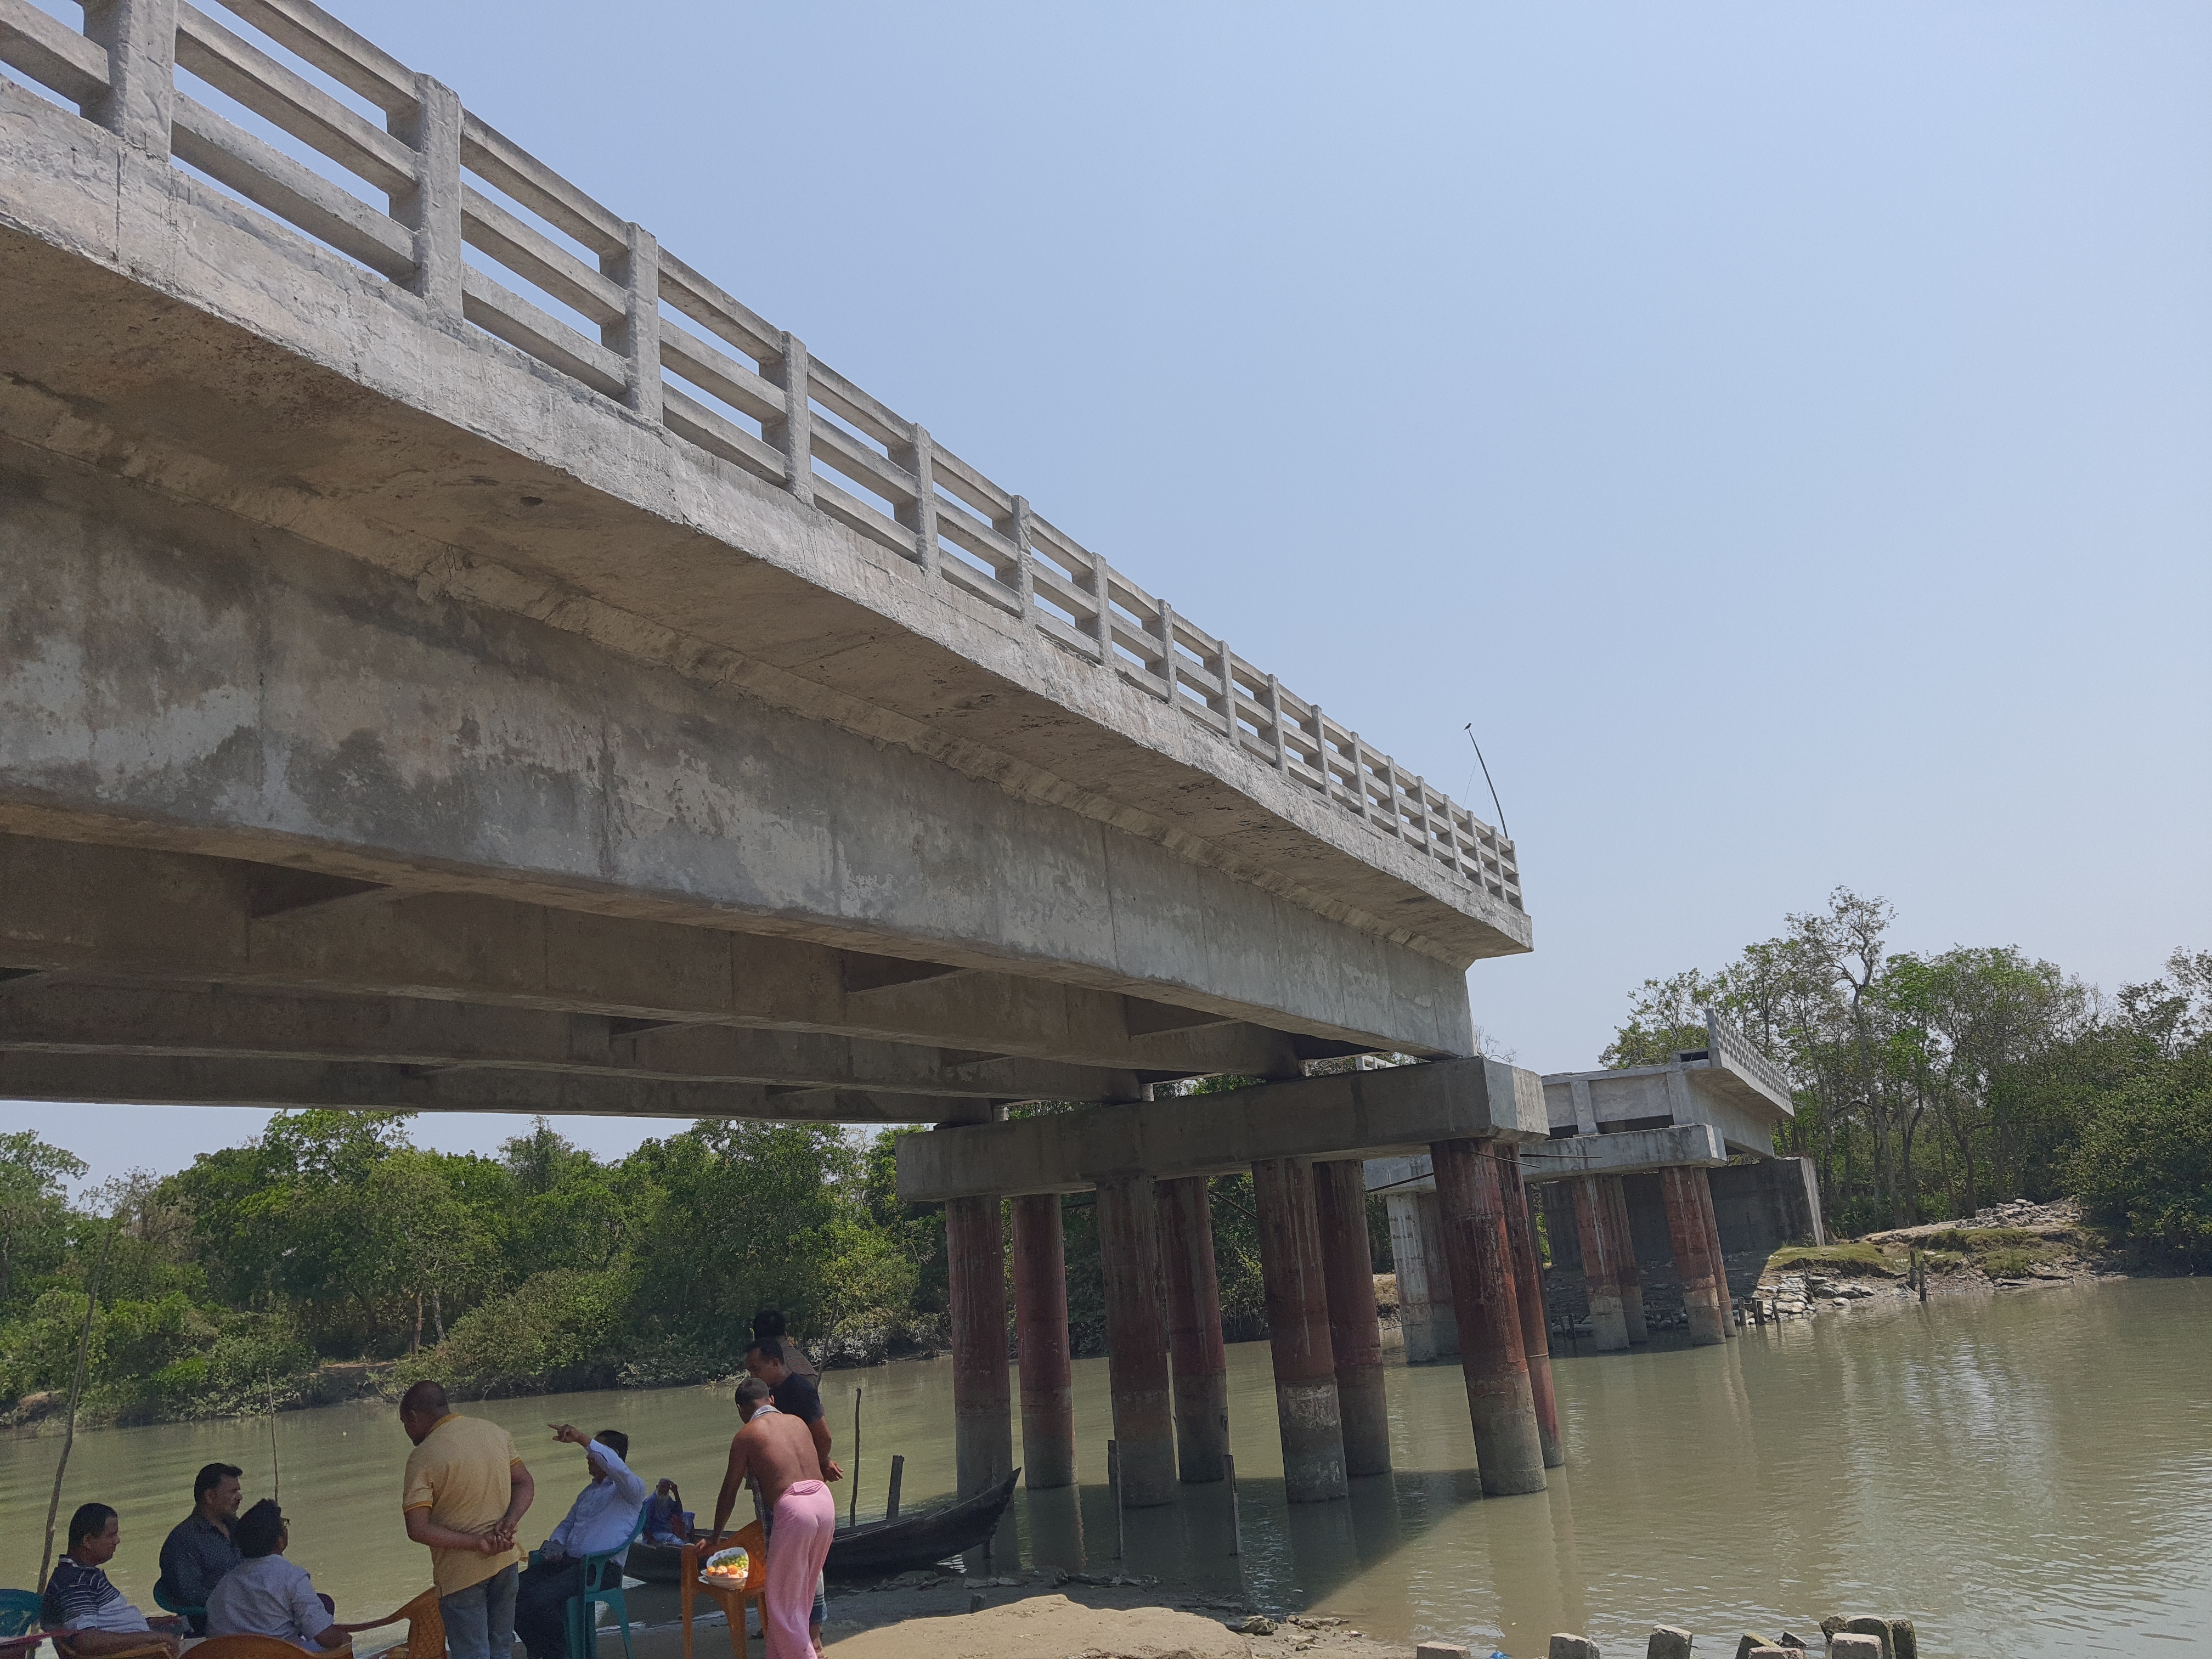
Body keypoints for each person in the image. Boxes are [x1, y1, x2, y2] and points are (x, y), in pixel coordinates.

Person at [698, 1379, 834, 1659]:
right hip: (824, 1502)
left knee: (782, 1605)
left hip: (795, 1510)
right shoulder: (798, 1422)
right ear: (771, 1399)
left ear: (741, 1409)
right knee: (803, 1594)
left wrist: (715, 1537)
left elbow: (729, 1491)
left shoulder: (746, 1435)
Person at [399, 1380, 535, 1659]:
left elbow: (417, 1528)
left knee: (472, 1653)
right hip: (505, 1560)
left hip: (461, 1575)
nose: (408, 1432)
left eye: (405, 1424)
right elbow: (525, 1483)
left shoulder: (422, 1457)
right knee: (501, 1649)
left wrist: (477, 1543)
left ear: (413, 1416)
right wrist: (509, 1522)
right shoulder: (495, 1433)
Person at [513, 1426, 646, 1659]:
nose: (588, 1457)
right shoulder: (589, 1492)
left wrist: (582, 1439)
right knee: (512, 1592)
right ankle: (543, 1651)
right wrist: (554, 1547)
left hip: (601, 1570)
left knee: (540, 1599)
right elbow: (567, 1526)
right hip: (569, 1564)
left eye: (594, 1452)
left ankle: (560, 1653)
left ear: (610, 1454)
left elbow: (618, 1468)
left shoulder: (630, 1490)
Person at [204, 1499, 348, 1651]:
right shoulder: (292, 1577)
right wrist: (343, 1639)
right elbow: (326, 1638)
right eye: (284, 1525)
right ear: (280, 1541)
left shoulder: (224, 1585)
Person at [42, 1503, 180, 1657]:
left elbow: (103, 1623)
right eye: (111, 1535)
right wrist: (153, 1637)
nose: (117, 1540)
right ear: (88, 1541)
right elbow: (86, 1641)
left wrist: (149, 1623)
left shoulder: (80, 1574)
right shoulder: (76, 1583)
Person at [156, 1462, 244, 1631]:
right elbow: (189, 1595)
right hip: (215, 1624)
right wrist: (240, 1598)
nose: (240, 1497)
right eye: (233, 1492)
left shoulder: (237, 1526)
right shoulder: (184, 1540)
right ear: (210, 1496)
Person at [748, 1310, 819, 1383]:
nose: (753, 1376)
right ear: (786, 1334)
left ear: (758, 1340)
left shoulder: (772, 1367)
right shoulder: (805, 1363)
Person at [639, 1480, 689, 1547]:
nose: (664, 1490)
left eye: (667, 1488)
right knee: (677, 1542)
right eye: (662, 1487)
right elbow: (642, 1522)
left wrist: (676, 1493)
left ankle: (692, 1541)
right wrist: (651, 1539)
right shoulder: (650, 1502)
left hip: (667, 1529)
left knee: (688, 1515)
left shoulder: (667, 1500)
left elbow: (679, 1511)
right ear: (657, 1487)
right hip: (655, 1533)